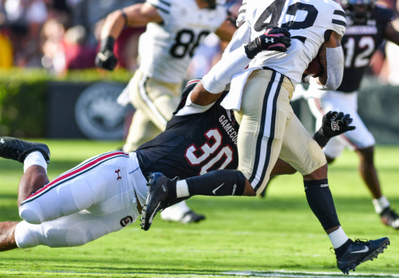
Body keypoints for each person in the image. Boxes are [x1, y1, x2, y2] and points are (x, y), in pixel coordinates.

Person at [140, 0, 390, 274]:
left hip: (247, 85)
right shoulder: (330, 9)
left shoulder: (255, 1)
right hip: (272, 87)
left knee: (314, 163)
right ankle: (171, 189)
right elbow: (335, 81)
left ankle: (344, 248)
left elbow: (232, 54)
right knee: (252, 180)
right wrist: (313, 63)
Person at [0, 29, 351, 253]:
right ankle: (35, 155)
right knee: (32, 209)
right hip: (123, 174)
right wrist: (249, 50)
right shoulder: (201, 104)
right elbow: (207, 86)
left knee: (38, 235)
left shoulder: (256, 129)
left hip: (132, 210)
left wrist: (320, 136)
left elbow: (274, 169)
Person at [95, 0, 237, 224]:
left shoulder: (211, 11)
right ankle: (172, 201)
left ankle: (96, 189)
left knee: (131, 152)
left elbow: (237, 36)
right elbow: (121, 16)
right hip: (150, 82)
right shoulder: (172, 3)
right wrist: (106, 47)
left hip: (173, 87)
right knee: (181, 136)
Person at [306, 0, 399, 230]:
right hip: (327, 93)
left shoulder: (379, 17)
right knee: (366, 146)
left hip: (349, 96)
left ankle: (270, 174)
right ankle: (384, 208)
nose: (363, 4)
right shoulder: (333, 15)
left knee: (324, 156)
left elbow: (397, 37)